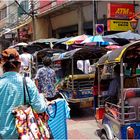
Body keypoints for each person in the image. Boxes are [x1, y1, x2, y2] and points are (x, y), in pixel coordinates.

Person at [0, 48, 47, 139]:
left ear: (2, 66)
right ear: (19, 65)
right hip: (24, 134)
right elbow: (40, 108)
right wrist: (43, 99)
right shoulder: (27, 82)